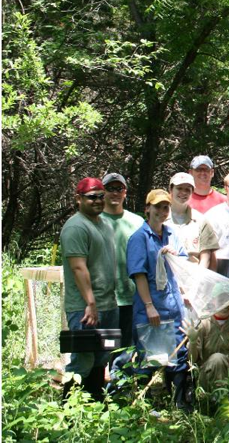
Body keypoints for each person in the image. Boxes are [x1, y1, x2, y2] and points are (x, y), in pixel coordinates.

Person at [126, 189, 191, 411]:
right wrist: (149, 306)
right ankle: (150, 406)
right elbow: (139, 274)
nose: (162, 212)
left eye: (165, 207)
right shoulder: (139, 238)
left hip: (174, 307)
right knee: (150, 356)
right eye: (158, 207)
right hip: (152, 308)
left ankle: (180, 403)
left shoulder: (172, 234)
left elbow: (183, 266)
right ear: (147, 209)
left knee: (179, 354)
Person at [60, 177, 119, 401]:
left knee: (101, 358)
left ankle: (94, 406)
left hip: (108, 305)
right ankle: (68, 411)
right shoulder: (75, 227)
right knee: (82, 360)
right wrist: (90, 304)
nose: (97, 201)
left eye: (100, 196)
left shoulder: (103, 224)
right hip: (85, 309)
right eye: (91, 197)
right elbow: (78, 267)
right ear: (79, 199)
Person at [100, 173, 144, 357]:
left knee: (126, 350)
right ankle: (102, 384)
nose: (115, 193)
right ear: (103, 192)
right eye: (110, 188)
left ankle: (122, 385)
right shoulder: (94, 220)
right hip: (104, 299)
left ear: (125, 192)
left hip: (131, 296)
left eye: (119, 189)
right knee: (105, 348)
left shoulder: (137, 222)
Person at [166, 172, 220, 268]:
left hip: (192, 277)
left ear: (192, 192)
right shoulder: (160, 217)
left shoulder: (200, 220)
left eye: (187, 189)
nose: (183, 192)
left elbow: (205, 258)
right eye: (179, 188)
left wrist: (197, 281)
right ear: (170, 189)